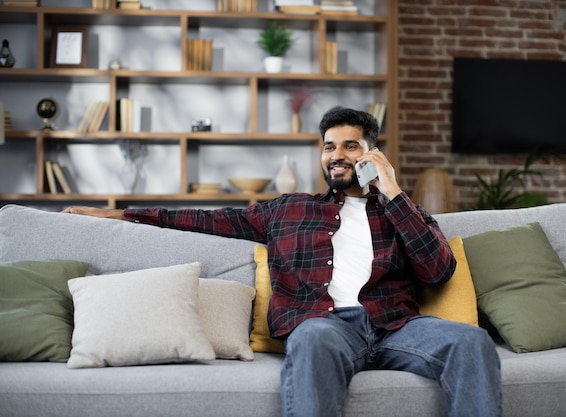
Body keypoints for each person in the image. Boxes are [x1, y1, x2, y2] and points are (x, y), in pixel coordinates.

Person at [63, 108, 502, 417]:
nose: (337, 155)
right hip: (324, 327)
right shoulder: (289, 209)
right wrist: (117, 213)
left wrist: (391, 191)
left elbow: (438, 271)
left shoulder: (400, 211)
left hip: (394, 327)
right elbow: (203, 218)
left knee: (472, 342)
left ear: (373, 154)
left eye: (352, 146)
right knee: (312, 340)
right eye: (329, 147)